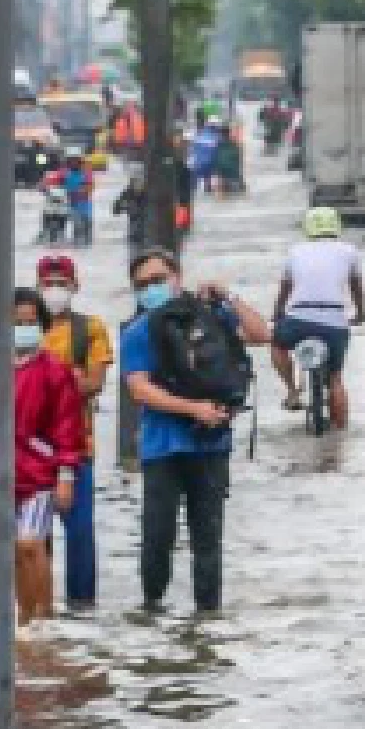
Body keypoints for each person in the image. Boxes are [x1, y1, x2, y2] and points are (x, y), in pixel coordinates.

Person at [121, 248, 271, 614]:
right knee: (158, 537)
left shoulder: (211, 315)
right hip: (162, 448)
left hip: (211, 445)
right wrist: (194, 409)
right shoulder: (139, 330)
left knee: (208, 539)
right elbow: (139, 388)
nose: (151, 288)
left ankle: (207, 618)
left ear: (177, 276)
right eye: (142, 284)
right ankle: (152, 610)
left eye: (158, 279)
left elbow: (261, 334)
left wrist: (230, 298)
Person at [37, 255, 114, 611]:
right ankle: (38, 610)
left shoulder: (90, 329)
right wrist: (71, 380)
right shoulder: (24, 329)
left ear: (75, 286)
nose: (55, 290)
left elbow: (95, 383)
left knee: (80, 534)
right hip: (30, 450)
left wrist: (44, 384)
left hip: (78, 445)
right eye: (48, 283)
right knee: (34, 539)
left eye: (61, 283)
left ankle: (82, 611)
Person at [11, 288, 85, 628]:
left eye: (30, 321)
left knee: (30, 544)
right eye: (16, 322)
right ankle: (24, 619)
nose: (24, 327)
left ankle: (43, 618)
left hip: (40, 473)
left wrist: (66, 477)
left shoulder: (54, 371)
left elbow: (68, 427)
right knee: (15, 552)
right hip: (2, 476)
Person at [272, 206, 365, 430]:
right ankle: (340, 437)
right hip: (334, 322)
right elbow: (356, 288)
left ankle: (293, 390)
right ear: (337, 226)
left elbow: (285, 288)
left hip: (298, 319)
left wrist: (277, 313)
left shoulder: (295, 251)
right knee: (335, 378)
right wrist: (361, 313)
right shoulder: (349, 251)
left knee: (276, 343)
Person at [60, 149, 95, 247]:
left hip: (84, 202)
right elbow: (53, 179)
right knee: (76, 223)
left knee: (85, 222)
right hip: (70, 202)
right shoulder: (64, 172)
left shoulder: (86, 173)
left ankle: (86, 242)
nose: (73, 163)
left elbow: (90, 185)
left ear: (80, 161)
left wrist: (83, 190)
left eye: (75, 160)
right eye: (71, 160)